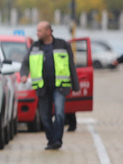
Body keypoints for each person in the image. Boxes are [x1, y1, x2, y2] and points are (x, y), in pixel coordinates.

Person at [20, 21, 80, 150]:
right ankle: (51, 139)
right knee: (45, 117)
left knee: (59, 113)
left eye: (39, 31)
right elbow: (25, 63)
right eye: (37, 31)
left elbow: (71, 65)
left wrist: (75, 85)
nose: (37, 33)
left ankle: (57, 140)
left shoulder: (62, 45)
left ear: (48, 31)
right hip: (43, 88)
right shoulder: (35, 46)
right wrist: (24, 75)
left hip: (60, 86)